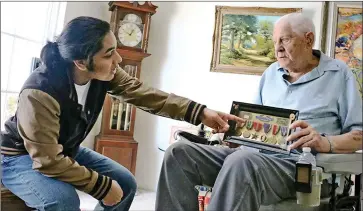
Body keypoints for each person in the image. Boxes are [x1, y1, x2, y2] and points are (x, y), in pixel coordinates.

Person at [0, 16, 243, 211]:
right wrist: (102, 187)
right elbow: (47, 160)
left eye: (115, 49)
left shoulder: (104, 73)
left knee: (126, 184)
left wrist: (200, 113)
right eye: (108, 54)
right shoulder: (39, 92)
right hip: (20, 157)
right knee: (63, 202)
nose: (118, 59)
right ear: (81, 63)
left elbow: (143, 93)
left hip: (66, 148)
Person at [155, 13, 363, 211]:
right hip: (253, 158)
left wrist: (325, 142)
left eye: (285, 40)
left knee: (241, 162)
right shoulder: (271, 73)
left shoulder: (339, 74)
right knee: (179, 153)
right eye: (275, 42)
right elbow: (251, 126)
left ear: (309, 40)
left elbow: (359, 135)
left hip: (302, 168)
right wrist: (235, 135)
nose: (278, 49)